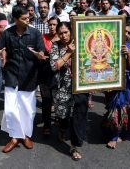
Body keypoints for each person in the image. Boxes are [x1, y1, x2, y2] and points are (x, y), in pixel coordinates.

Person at [0, 6, 45, 153]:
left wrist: (40, 55)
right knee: (10, 109)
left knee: (28, 109)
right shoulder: (7, 33)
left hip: (29, 77)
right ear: (15, 20)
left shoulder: (34, 33)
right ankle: (15, 137)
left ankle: (26, 135)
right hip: (11, 75)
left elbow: (42, 50)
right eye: (24, 18)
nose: (27, 20)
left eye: (28, 17)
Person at [50, 22, 88, 160]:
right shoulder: (55, 46)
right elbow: (55, 66)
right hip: (61, 87)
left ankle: (74, 146)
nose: (63, 35)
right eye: (60, 33)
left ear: (71, 32)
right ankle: (62, 127)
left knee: (77, 115)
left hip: (79, 86)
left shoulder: (81, 42)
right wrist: (69, 53)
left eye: (66, 32)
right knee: (62, 114)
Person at [102, 22, 130, 149]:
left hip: (127, 81)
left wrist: (128, 54)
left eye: (127, 32)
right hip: (111, 79)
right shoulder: (110, 45)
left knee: (124, 107)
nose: (125, 34)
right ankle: (113, 132)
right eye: (123, 31)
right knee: (113, 107)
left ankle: (118, 134)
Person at [39, 16, 60, 136]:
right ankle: (47, 125)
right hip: (45, 73)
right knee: (46, 100)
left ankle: (58, 119)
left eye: (54, 25)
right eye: (50, 25)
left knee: (58, 99)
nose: (52, 27)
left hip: (59, 74)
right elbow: (40, 51)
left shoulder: (63, 38)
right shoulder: (43, 37)